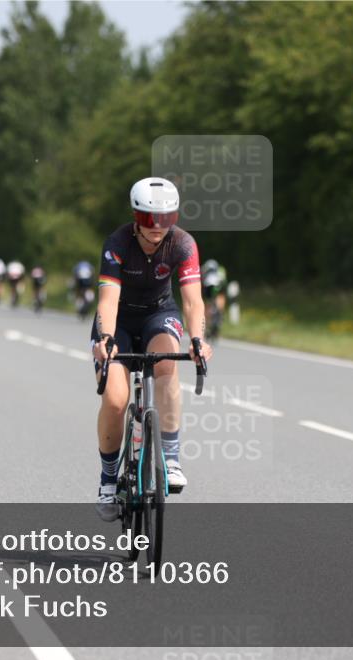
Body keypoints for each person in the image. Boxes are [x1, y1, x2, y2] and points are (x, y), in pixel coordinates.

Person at [91, 177, 213, 521]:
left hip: (160, 315)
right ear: (135, 217)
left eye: (166, 219)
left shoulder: (183, 244)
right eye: (148, 220)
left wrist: (197, 340)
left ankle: (170, 458)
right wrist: (106, 339)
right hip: (120, 321)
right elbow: (108, 299)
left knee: (166, 366)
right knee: (116, 399)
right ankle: (108, 481)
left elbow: (192, 302)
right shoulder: (117, 244)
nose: (157, 228)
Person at [200, 259, 228, 339]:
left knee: (208, 305)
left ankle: (208, 323)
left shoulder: (203, 269)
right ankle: (220, 314)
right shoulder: (220, 270)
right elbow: (224, 283)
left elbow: (201, 282)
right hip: (218, 286)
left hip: (208, 287)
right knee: (220, 299)